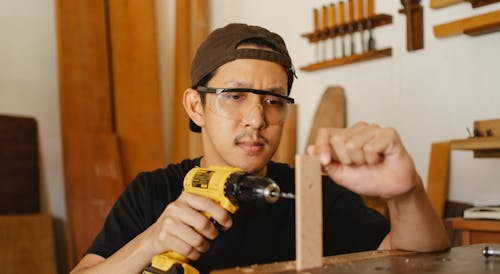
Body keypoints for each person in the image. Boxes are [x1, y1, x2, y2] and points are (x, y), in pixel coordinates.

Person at [70, 23, 450, 274]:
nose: (256, 118)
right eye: (234, 96)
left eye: (273, 100)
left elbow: (417, 260)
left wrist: (407, 194)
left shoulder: (310, 192)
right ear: (196, 107)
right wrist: (150, 242)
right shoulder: (152, 192)